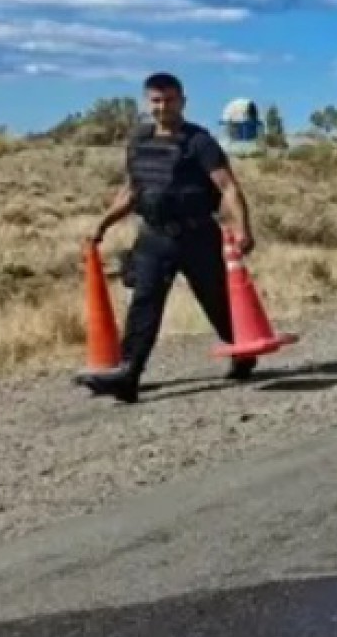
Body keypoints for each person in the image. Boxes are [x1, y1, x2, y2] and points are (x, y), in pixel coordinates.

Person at [76, 72, 258, 403]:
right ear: (148, 102)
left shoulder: (199, 142)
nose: (162, 107)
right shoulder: (139, 141)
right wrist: (102, 224)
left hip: (197, 235)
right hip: (154, 236)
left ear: (182, 101)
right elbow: (131, 191)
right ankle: (128, 375)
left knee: (216, 300)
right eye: (156, 101)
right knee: (144, 302)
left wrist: (242, 227)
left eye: (169, 100)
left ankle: (243, 350)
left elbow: (227, 187)